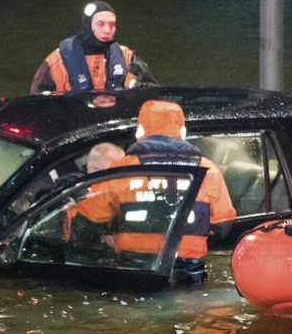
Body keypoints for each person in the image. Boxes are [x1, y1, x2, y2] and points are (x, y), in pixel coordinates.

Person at [75, 99, 237, 281]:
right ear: (182, 132)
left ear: (140, 131)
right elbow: (223, 224)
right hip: (187, 273)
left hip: (135, 271)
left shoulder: (122, 169)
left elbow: (88, 218)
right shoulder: (208, 170)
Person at [30, 1, 155, 94]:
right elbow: (38, 103)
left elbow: (150, 91)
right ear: (88, 25)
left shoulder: (127, 58)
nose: (107, 30)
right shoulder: (56, 62)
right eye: (100, 24)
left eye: (112, 25)